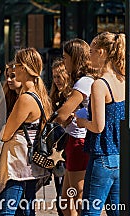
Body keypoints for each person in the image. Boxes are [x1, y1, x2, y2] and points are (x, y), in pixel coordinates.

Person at [0, 48, 52, 216]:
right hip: (28, 163)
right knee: (26, 210)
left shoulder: (26, 98)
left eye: (17, 65)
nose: (13, 70)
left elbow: (5, 134)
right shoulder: (38, 95)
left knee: (6, 210)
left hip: (18, 163)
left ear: (24, 68)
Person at [77, 32, 125, 216]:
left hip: (103, 154)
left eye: (91, 52)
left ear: (102, 52)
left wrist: (82, 121)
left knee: (90, 211)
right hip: (120, 155)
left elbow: (98, 126)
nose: (89, 57)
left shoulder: (99, 84)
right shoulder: (123, 79)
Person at [55, 38, 96, 215]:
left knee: (78, 197)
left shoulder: (83, 83)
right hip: (76, 139)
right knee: (66, 199)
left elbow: (62, 114)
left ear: (75, 58)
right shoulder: (86, 81)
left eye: (65, 58)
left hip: (79, 141)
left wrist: (61, 115)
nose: (64, 62)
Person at [49, 59, 71, 216]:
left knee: (68, 196)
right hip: (57, 152)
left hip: (69, 150)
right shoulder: (54, 97)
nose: (56, 80)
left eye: (59, 76)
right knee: (60, 194)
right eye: (54, 77)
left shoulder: (72, 97)